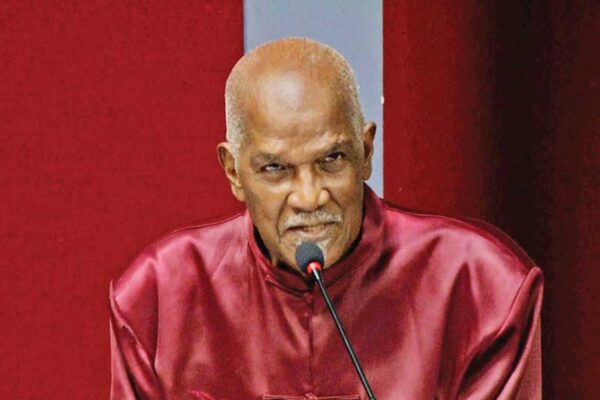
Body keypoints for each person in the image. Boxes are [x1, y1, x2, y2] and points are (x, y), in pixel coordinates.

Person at [110, 38, 543, 399]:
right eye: (275, 169)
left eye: (331, 160)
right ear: (233, 172)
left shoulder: (480, 289)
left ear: (366, 152)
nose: (309, 197)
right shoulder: (158, 297)